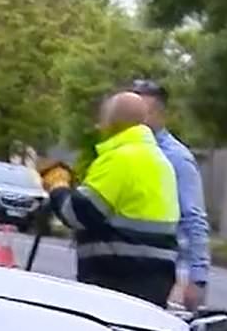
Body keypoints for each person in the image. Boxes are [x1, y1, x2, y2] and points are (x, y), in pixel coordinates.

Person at [45, 92, 181, 306]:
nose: (99, 126)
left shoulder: (120, 158)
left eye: (103, 120)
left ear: (112, 123)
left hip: (116, 280)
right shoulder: (159, 161)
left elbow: (77, 213)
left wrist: (58, 186)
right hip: (155, 280)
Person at [130, 79, 212, 310]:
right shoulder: (128, 152)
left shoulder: (176, 158)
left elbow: (193, 217)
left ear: (159, 115)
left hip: (173, 273)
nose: (136, 121)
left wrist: (197, 277)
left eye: (143, 113)